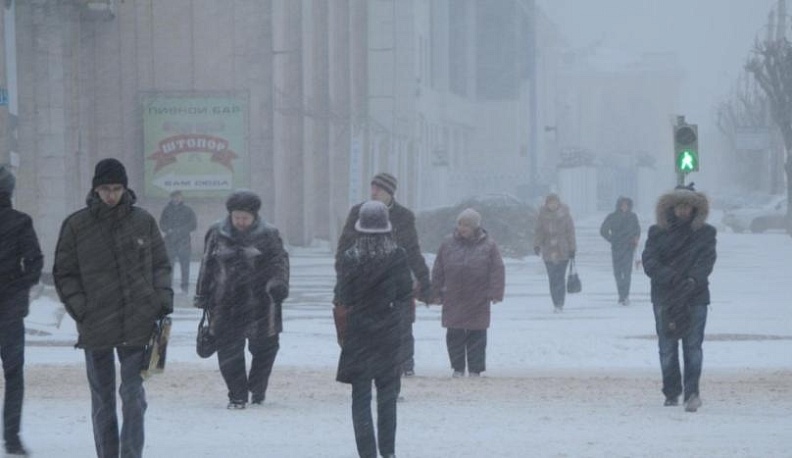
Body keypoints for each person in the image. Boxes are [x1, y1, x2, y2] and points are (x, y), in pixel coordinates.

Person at [53, 158, 173, 458]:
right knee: (103, 400)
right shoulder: (77, 225)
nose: (111, 195)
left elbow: (160, 265)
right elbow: (65, 273)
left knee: (133, 396)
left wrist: (161, 301)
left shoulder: (143, 221)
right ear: (95, 189)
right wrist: (82, 309)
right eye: (105, 189)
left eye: (117, 188)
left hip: (138, 322)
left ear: (125, 189)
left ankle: (131, 454)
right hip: (96, 325)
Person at [194, 190, 289, 409]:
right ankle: (237, 395)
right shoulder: (217, 232)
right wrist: (202, 294)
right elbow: (207, 264)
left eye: (245, 217)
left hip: (261, 302)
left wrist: (278, 285)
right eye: (237, 217)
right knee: (228, 351)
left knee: (265, 349)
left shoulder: (269, 234)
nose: (240, 222)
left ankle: (257, 387)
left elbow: (280, 263)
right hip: (225, 302)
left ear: (255, 216)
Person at [335, 200, 412, 458]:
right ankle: (388, 451)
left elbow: (342, 295)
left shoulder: (350, 257)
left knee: (360, 397)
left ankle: (366, 453)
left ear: (360, 228)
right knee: (387, 397)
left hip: (359, 333)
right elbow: (405, 292)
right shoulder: (397, 255)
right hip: (388, 332)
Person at [336, 173, 430, 377]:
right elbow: (344, 248)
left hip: (395, 280)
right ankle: (368, 364)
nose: (374, 192)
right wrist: (343, 279)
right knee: (364, 327)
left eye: (379, 188)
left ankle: (405, 364)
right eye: (372, 187)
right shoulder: (359, 212)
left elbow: (413, 251)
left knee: (403, 322)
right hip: (363, 279)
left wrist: (424, 281)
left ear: (390, 192)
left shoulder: (404, 216)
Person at [642, 184, 716, 412]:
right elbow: (650, 262)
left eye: (687, 206)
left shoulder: (706, 233)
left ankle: (692, 392)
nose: (683, 210)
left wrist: (692, 280)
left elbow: (706, 261)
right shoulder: (657, 233)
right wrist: (672, 278)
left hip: (695, 297)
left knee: (693, 347)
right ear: (670, 208)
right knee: (667, 347)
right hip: (665, 297)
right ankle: (671, 392)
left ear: (695, 208)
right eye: (678, 206)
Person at [0, 165, 43, 457]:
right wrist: (18, 286)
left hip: (10, 308)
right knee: (14, 375)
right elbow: (35, 261)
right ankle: (12, 438)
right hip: (10, 312)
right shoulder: (20, 222)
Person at [431, 208, 505, 378]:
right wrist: (435, 292)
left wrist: (495, 292)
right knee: (454, 333)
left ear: (475, 227)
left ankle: (475, 369)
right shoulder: (447, 243)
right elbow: (438, 269)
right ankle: (457, 367)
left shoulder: (489, 245)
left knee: (476, 333)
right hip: (453, 295)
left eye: (466, 225)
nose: (462, 228)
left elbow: (497, 269)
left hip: (478, 296)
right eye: (460, 224)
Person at [533, 193, 577, 313]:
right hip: (548, 251)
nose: (553, 205)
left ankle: (560, 303)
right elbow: (539, 232)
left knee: (560, 278)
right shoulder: (542, 216)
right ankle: (555, 302)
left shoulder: (566, 215)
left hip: (563, 251)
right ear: (547, 204)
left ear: (558, 203)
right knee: (552, 278)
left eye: (555, 202)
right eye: (550, 203)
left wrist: (572, 249)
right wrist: (537, 245)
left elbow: (570, 233)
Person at [600, 196, 641, 305]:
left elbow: (637, 229)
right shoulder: (612, 217)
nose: (624, 207)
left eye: (626, 205)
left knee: (627, 273)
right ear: (619, 206)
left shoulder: (633, 217)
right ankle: (621, 295)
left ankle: (626, 295)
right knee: (618, 273)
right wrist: (612, 239)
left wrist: (635, 238)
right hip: (617, 248)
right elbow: (603, 230)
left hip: (629, 248)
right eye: (622, 205)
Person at [159, 190, 197, 294]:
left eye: (178, 197)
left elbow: (193, 225)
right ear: (171, 198)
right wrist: (168, 230)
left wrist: (180, 231)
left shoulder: (188, 210)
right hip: (170, 242)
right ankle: (168, 287)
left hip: (184, 242)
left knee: (185, 266)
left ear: (181, 198)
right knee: (169, 266)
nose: (176, 199)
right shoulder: (166, 210)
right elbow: (162, 224)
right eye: (174, 197)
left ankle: (185, 288)